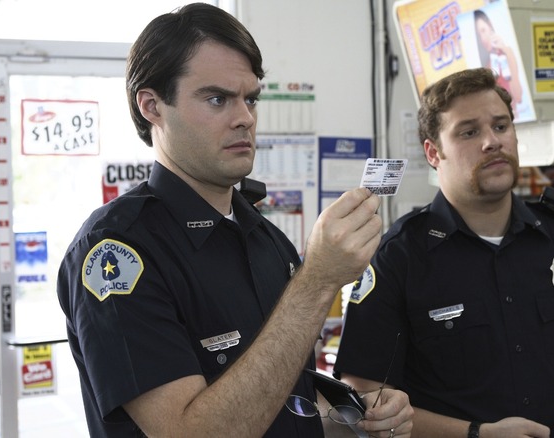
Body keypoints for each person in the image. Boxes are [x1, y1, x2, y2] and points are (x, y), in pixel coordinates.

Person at [56, 4, 413, 437]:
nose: (245, 116)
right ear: (152, 106)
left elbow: (286, 399)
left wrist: (358, 419)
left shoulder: (267, 240)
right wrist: (318, 281)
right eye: (217, 98)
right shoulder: (116, 251)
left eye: (251, 98)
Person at [333, 67, 554, 438]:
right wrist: (476, 433)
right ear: (433, 153)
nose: (492, 142)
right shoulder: (400, 257)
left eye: (501, 126)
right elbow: (360, 396)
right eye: (469, 132)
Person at [474, 9, 522, 117]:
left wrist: (506, 53)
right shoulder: (484, 67)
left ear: (491, 28)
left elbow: (518, 96)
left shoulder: (506, 53)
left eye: (483, 30)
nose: (483, 38)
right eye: (479, 34)